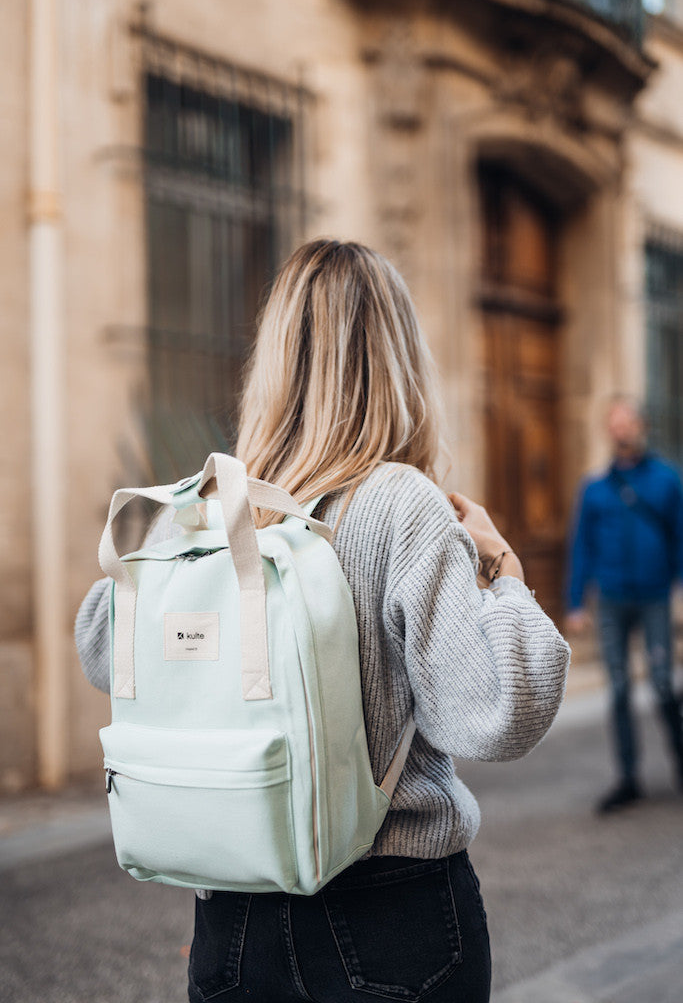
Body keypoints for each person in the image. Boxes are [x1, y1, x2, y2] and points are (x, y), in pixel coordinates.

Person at [75, 238, 570, 1003]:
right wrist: (502, 568)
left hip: (228, 925)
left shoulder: (203, 508)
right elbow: (497, 715)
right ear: (399, 360)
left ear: (271, 360)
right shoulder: (399, 504)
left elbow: (100, 649)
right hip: (391, 916)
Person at [566, 393, 683, 814]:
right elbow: (582, 546)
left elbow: (680, 536)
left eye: (626, 422)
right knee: (617, 689)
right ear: (608, 431)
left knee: (664, 683)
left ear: (641, 426)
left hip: (654, 596)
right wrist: (575, 601)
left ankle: (681, 762)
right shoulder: (595, 487)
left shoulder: (667, 480)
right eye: (613, 424)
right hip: (612, 599)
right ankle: (629, 778)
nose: (621, 430)